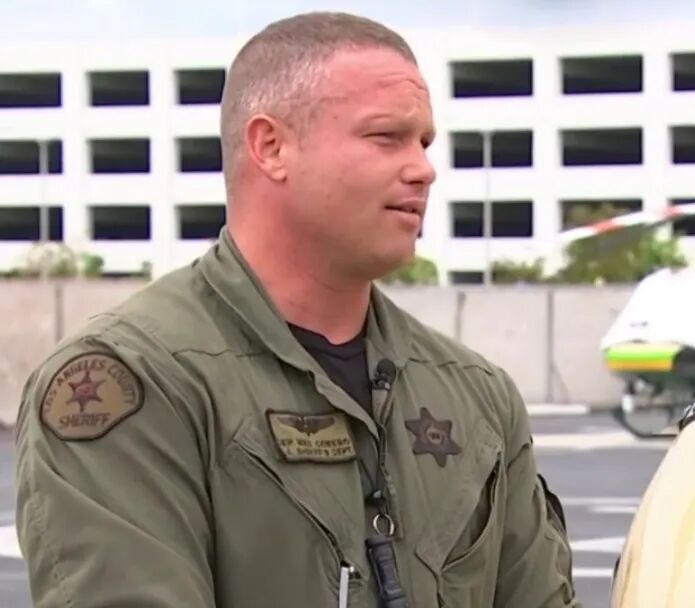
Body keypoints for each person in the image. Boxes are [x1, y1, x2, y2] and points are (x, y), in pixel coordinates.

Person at [14, 11, 580, 608]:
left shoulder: (476, 396)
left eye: (423, 142)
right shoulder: (136, 384)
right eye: (385, 137)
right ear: (272, 147)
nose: (423, 169)